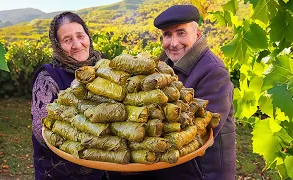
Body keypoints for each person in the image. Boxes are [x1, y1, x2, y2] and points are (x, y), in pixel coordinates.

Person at [108, 4, 235, 180]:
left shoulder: (213, 71)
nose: (174, 43)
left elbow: (201, 130)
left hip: (202, 172)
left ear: (197, 34)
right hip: (172, 168)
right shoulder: (162, 64)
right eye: (167, 35)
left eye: (181, 32)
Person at [31, 11, 106, 180]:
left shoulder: (103, 68)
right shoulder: (48, 77)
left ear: (88, 36)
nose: (77, 44)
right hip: (60, 172)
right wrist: (87, 143)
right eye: (67, 40)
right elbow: (40, 130)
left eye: (80, 36)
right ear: (57, 45)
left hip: (100, 171)